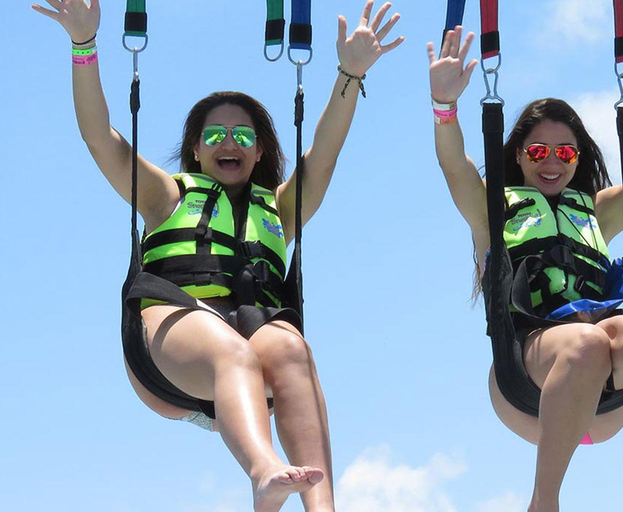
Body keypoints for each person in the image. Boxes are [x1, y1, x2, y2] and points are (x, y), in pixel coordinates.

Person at [32, 1, 404, 511]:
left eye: (243, 136)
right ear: (196, 150)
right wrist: (84, 45)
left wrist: (350, 74)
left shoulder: (279, 209)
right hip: (171, 349)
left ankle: (323, 507)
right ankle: (264, 471)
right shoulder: (164, 195)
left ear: (258, 153)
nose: (229, 142)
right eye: (215, 135)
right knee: (233, 350)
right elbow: (100, 136)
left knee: (291, 348)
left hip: (256, 342)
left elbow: (324, 151)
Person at [427, 27, 623, 512]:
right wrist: (444, 106)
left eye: (565, 152)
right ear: (517, 154)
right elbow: (455, 167)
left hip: (608, 396)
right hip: (526, 382)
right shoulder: (492, 212)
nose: (552, 162)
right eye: (538, 152)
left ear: (578, 158)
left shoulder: (596, 212)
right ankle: (546, 501)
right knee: (588, 340)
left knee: (618, 326)